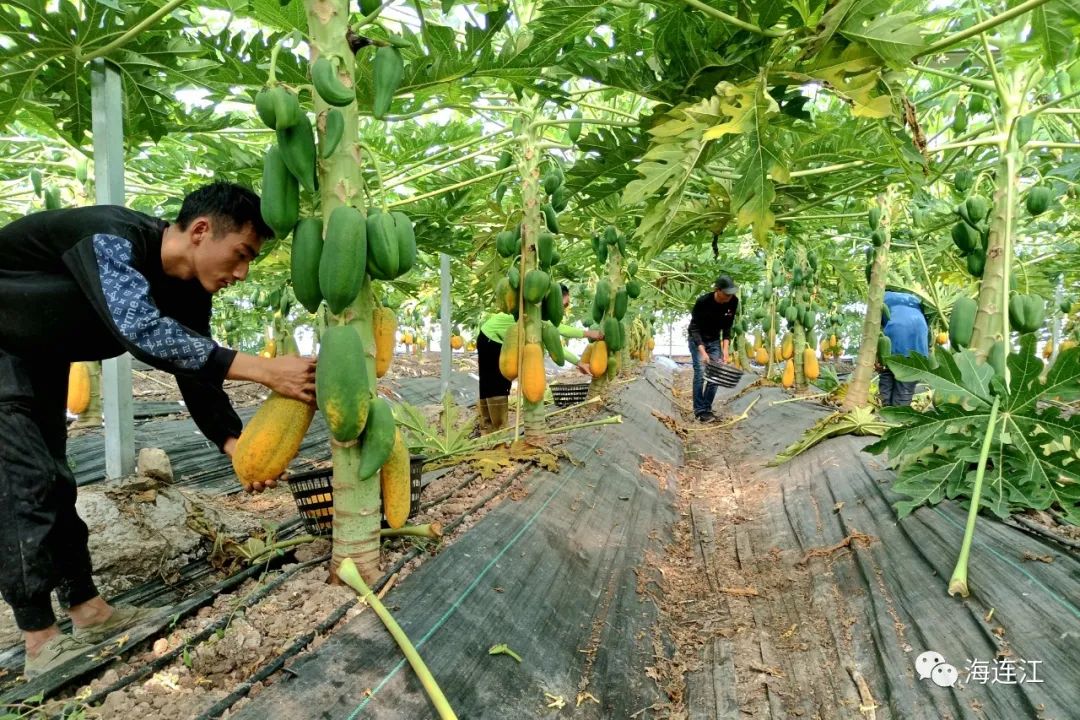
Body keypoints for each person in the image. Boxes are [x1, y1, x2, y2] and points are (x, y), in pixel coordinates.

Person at [0, 182, 317, 679]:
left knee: (57, 480)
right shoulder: (111, 236)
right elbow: (141, 328)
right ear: (200, 230)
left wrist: (235, 444)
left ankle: (89, 610)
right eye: (241, 254)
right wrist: (264, 368)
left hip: (37, 354)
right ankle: (40, 639)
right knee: (26, 481)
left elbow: (193, 360)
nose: (241, 272)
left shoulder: (187, 290)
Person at [475, 285, 601, 433]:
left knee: (488, 383)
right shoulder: (536, 313)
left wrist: (579, 362)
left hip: (487, 336)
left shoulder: (537, 312)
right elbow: (559, 330)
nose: (564, 309)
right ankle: (497, 429)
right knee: (497, 384)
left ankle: (486, 426)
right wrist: (588, 334)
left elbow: (555, 346)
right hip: (492, 340)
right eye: (563, 305)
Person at [688, 275, 739, 422]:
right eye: (727, 293)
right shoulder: (703, 302)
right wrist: (703, 352)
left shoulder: (733, 302)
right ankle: (699, 411)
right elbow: (694, 328)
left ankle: (706, 409)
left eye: (732, 293)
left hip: (715, 340)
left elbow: (727, 327)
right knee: (701, 372)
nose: (730, 296)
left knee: (715, 374)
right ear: (717, 290)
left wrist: (725, 350)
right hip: (697, 340)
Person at [878, 290, 929, 407]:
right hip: (917, 340)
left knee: (887, 371)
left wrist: (877, 358)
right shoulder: (915, 298)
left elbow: (875, 326)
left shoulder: (882, 296)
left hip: (894, 335)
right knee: (906, 381)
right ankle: (897, 416)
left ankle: (885, 410)